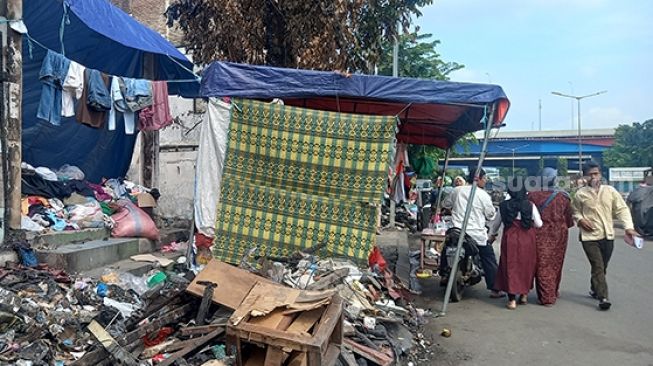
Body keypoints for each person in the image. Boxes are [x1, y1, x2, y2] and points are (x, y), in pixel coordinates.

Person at [573, 161, 639, 310]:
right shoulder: (580, 194)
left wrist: (628, 227)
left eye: (596, 174)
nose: (593, 177)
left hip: (608, 235)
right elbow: (575, 211)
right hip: (589, 237)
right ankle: (603, 297)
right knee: (597, 265)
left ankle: (595, 286)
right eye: (590, 175)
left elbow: (621, 209)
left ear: (601, 174)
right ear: (584, 177)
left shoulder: (610, 191)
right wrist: (581, 219)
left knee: (603, 266)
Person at [443, 168, 501, 297]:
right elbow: (491, 215)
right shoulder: (483, 195)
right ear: (478, 179)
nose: (485, 181)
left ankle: (443, 274)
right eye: (484, 178)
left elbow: (446, 204)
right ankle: (495, 289)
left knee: (445, 248)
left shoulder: (456, 190)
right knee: (488, 257)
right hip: (476, 234)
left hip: (456, 231)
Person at [491, 177, 543, 309]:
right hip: (527, 238)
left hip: (510, 238)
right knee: (526, 265)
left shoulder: (503, 205)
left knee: (510, 266)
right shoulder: (530, 205)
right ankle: (524, 294)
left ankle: (512, 300)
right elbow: (539, 223)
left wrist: (491, 235)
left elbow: (495, 225)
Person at [528, 168, 574, 306]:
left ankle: (546, 296)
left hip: (539, 233)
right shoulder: (564, 196)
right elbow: (569, 219)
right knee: (556, 263)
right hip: (560, 234)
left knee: (541, 264)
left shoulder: (532, 196)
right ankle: (553, 291)